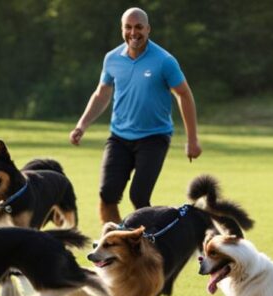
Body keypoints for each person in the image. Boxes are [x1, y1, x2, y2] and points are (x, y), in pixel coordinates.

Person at [69, 7, 202, 224]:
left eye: (139, 27)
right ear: (122, 29)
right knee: (107, 194)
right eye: (128, 27)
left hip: (154, 137)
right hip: (119, 138)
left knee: (139, 196)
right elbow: (102, 94)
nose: (133, 33)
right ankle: (116, 242)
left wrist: (192, 140)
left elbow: (184, 95)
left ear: (148, 29)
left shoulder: (164, 61)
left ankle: (151, 243)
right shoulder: (111, 59)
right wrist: (81, 126)